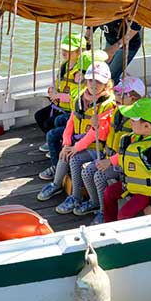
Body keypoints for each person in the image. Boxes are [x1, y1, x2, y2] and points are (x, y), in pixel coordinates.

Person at [36, 61, 116, 213]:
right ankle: (56, 184)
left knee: (74, 157)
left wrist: (76, 147)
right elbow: (71, 121)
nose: (94, 84)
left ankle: (76, 197)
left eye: (99, 81)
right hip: (80, 141)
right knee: (65, 151)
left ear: (106, 84)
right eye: (91, 80)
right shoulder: (80, 97)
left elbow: (95, 133)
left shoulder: (107, 105)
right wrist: (67, 143)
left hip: (97, 147)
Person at [78, 76, 145, 224]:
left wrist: (109, 161)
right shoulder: (117, 112)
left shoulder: (138, 122)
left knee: (99, 176)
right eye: (117, 92)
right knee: (87, 171)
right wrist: (96, 125)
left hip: (123, 163)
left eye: (123, 94)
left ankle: (104, 212)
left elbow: (131, 150)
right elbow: (105, 133)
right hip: (109, 156)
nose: (117, 97)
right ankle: (95, 203)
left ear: (134, 99)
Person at [101, 98, 151, 222]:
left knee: (124, 214)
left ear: (146, 126)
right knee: (109, 193)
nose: (130, 123)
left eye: (134, 120)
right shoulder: (136, 138)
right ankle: (109, 224)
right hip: (132, 185)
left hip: (147, 192)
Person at [86, 0, 143, 84]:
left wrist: (114, 48)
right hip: (110, 38)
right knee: (101, 70)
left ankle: (111, 100)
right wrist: (87, 39)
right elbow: (93, 19)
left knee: (110, 77)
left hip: (128, 42)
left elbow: (136, 26)